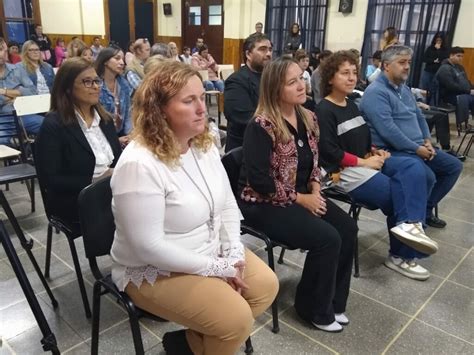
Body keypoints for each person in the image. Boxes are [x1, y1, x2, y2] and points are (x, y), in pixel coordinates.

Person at [109, 60, 278, 354]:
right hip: (154, 267)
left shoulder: (202, 143)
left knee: (266, 287)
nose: (203, 108)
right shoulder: (139, 164)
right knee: (235, 319)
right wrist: (216, 268)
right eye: (189, 101)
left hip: (207, 248)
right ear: (159, 110)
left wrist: (234, 250)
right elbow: (147, 247)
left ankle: (188, 344)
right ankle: (203, 342)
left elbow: (226, 202)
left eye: (202, 97)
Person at [239, 57, 357, 332]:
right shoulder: (261, 125)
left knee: (348, 228)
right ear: (274, 88)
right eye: (291, 82)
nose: (301, 85)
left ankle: (334, 302)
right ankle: (313, 308)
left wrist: (315, 186)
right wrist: (301, 199)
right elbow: (259, 181)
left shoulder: (307, 116)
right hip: (263, 202)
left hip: (303, 194)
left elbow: (314, 162)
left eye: (301, 77)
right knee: (327, 239)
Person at [317, 51, 439, 280]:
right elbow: (329, 152)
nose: (352, 77)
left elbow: (362, 136)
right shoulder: (324, 109)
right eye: (345, 73)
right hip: (341, 173)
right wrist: (365, 161)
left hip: (365, 161)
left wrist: (374, 150)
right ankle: (401, 254)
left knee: (414, 170)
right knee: (398, 194)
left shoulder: (352, 104)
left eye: (354, 72)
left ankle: (411, 226)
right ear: (330, 78)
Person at [360, 45, 463, 229]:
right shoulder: (376, 92)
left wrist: (427, 141)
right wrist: (417, 149)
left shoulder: (404, 89)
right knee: (427, 176)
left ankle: (425, 210)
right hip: (393, 150)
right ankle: (413, 223)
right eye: (401, 62)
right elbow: (388, 131)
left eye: (408, 62)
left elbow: (418, 116)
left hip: (417, 147)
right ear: (386, 66)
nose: (407, 66)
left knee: (453, 166)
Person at [35, 57, 122, 226]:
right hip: (74, 198)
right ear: (67, 88)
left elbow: (117, 161)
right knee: (129, 215)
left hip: (110, 190)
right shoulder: (54, 125)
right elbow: (51, 180)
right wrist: (95, 181)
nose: (96, 86)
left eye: (97, 81)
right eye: (87, 82)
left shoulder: (105, 120)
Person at [224, 33, 272, 151]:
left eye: (270, 50)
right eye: (262, 49)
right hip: (245, 148)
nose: (269, 54)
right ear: (248, 54)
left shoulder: (271, 78)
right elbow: (244, 117)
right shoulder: (236, 81)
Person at [0, 44, 43, 142]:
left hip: (23, 114)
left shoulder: (17, 69)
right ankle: (17, 144)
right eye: (0, 50)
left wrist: (4, 91)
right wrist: (18, 93)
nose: (3, 54)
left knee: (49, 125)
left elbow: (32, 91)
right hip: (2, 118)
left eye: (5, 51)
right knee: (2, 140)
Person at [95, 46, 132, 146]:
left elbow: (128, 114)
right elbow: (94, 123)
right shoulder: (95, 86)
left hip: (121, 134)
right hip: (102, 139)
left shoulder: (124, 84)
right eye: (117, 58)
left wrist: (130, 135)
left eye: (122, 59)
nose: (122, 63)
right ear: (105, 61)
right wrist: (115, 140)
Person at [436, 46, 474, 127]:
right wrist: (468, 91)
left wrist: (471, 88)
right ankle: (463, 123)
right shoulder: (444, 68)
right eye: (458, 56)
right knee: (470, 98)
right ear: (451, 55)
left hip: (461, 93)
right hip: (448, 96)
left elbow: (466, 81)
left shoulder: (460, 67)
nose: (460, 58)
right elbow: (451, 86)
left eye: (462, 56)